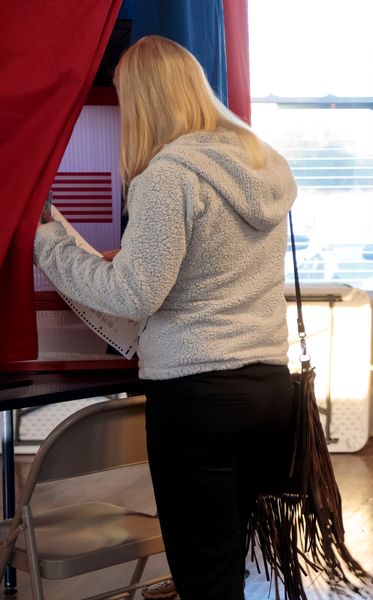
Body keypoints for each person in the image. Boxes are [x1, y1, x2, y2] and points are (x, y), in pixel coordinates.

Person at [33, 36, 298, 599]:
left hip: (200, 394)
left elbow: (133, 296)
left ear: (144, 101)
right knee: (226, 562)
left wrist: (51, 245)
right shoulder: (261, 163)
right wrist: (131, 261)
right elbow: (209, 266)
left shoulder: (167, 176)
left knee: (205, 576)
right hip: (269, 389)